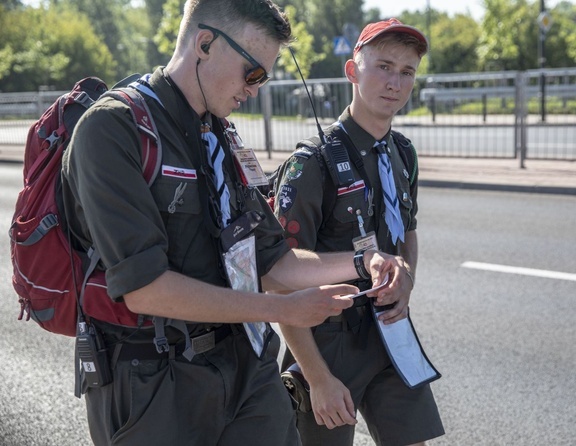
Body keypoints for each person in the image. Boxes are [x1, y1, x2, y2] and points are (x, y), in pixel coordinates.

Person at [61, 1, 412, 445]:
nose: (256, 90)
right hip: (154, 380)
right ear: (204, 44)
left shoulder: (222, 135)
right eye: (253, 73)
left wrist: (367, 261)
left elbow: (276, 261)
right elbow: (146, 287)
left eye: (264, 76)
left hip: (248, 369)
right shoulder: (112, 129)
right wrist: (282, 309)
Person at [273, 18, 445, 445]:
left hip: (389, 331)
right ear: (353, 71)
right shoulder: (312, 162)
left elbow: (407, 230)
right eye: (383, 66)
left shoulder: (402, 152)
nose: (395, 82)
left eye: (407, 72)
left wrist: (407, 282)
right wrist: (316, 378)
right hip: (326, 343)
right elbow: (279, 280)